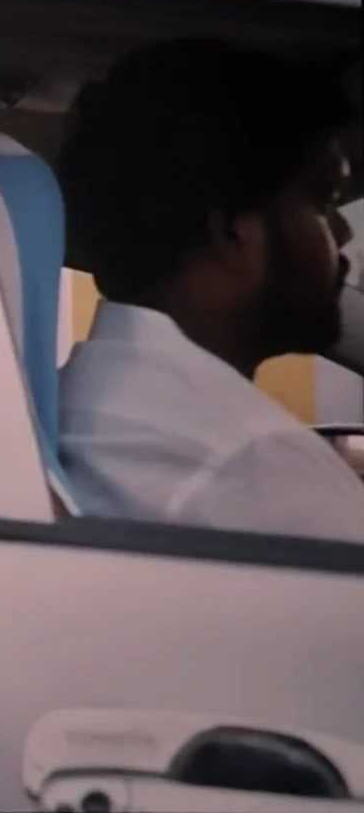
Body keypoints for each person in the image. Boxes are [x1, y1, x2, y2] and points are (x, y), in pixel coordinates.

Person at [55, 37, 364, 540]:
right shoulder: (261, 469)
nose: (343, 232)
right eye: (323, 201)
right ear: (233, 234)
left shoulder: (79, 398)